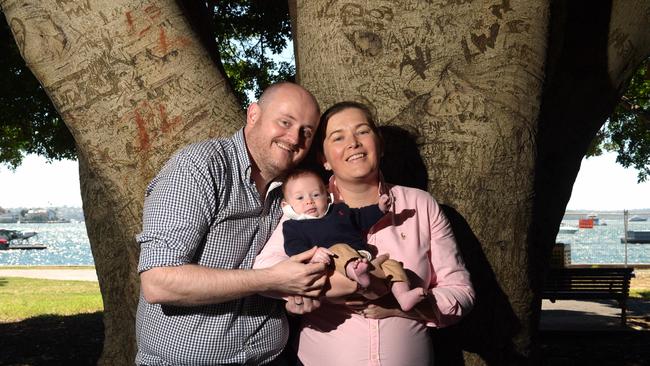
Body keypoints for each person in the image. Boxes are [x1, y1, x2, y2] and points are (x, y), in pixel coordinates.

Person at [255, 101, 475, 366]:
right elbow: (267, 271)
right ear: (323, 159)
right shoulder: (305, 207)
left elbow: (461, 291)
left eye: (362, 131)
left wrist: (400, 306)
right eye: (338, 137)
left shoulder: (420, 205)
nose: (353, 143)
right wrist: (327, 288)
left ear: (379, 145)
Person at [135, 82, 329, 365]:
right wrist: (274, 278)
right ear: (253, 115)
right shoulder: (198, 167)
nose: (294, 137)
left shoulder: (294, 190)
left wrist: (294, 292)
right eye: (285, 122)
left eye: (306, 132)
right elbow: (159, 282)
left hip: (271, 357)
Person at [280, 168, 427, 311]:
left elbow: (360, 216)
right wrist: (312, 254)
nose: (309, 201)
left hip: (364, 260)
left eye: (316, 195)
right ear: (286, 205)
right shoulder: (293, 226)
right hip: (332, 264)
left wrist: (380, 209)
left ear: (327, 195)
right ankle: (356, 273)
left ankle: (403, 296)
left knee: (391, 264)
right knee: (339, 248)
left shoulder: (339, 211)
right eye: (300, 198)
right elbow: (293, 247)